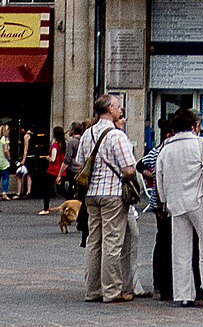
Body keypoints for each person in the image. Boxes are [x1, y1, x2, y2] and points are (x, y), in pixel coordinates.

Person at [154, 105, 203, 309]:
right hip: (199, 201)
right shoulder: (200, 143)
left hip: (176, 204)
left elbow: (159, 177)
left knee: (180, 250)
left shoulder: (166, 148)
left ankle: (183, 294)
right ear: (193, 125)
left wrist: (163, 200)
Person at [74, 94, 139, 304]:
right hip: (112, 193)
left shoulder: (87, 133)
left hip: (91, 193)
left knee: (94, 241)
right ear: (110, 109)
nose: (120, 110)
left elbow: (79, 163)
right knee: (112, 242)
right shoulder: (116, 135)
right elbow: (129, 168)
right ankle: (111, 290)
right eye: (118, 107)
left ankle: (92, 289)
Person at [37, 124, 67, 214]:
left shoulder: (55, 145)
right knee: (61, 190)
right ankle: (72, 200)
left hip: (53, 170)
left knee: (47, 189)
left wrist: (47, 157)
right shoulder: (63, 144)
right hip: (61, 170)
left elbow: (53, 159)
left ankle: (46, 208)